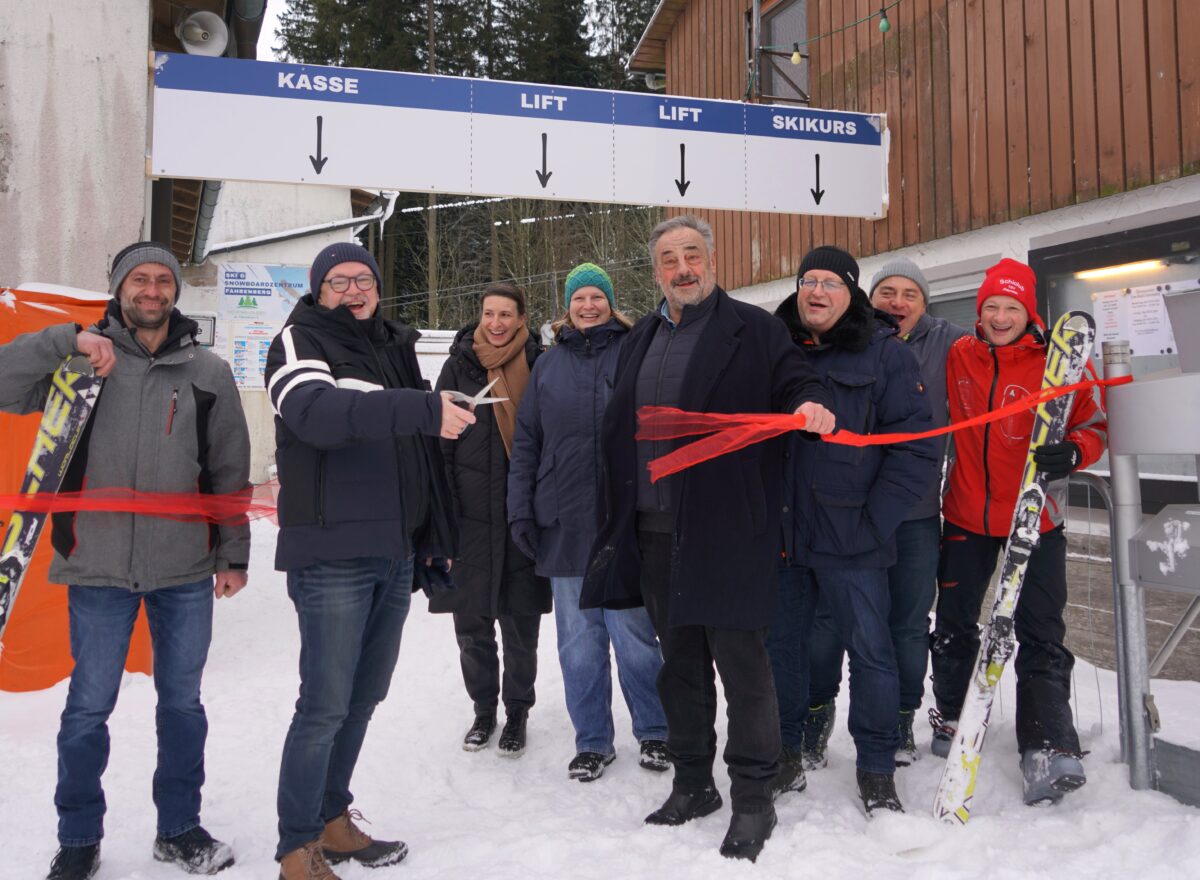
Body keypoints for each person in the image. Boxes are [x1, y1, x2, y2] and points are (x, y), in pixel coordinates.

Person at [581, 216, 835, 863]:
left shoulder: (753, 329)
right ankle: (694, 784)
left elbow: (797, 383)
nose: (682, 266)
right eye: (669, 258)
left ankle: (753, 796)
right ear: (656, 270)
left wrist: (809, 407)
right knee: (680, 668)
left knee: (744, 670)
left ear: (711, 260)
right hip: (655, 533)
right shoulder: (639, 337)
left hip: (728, 531)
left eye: (692, 253)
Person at [0, 242, 251, 880]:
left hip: (185, 570)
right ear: (118, 288)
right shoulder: (81, 361)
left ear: (174, 292)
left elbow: (228, 471)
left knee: (183, 705)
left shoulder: (207, 371)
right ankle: (79, 839)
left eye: (163, 280)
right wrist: (66, 340)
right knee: (88, 707)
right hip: (97, 567)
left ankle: (180, 829)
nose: (152, 289)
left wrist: (234, 554)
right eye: (139, 279)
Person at [265, 242, 471, 880]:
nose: (353, 289)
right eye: (338, 280)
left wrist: (433, 538)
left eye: (363, 279)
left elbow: (417, 456)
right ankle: (298, 848)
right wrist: (421, 407)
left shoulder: (393, 346)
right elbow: (317, 415)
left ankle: (332, 818)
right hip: (332, 555)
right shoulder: (298, 341)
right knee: (324, 703)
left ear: (379, 287)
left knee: (362, 698)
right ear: (319, 289)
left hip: (392, 552)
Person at [767, 246, 938, 817]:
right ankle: (784, 754)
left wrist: (874, 521)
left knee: (872, 652)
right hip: (785, 533)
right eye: (807, 280)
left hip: (854, 535)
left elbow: (916, 449)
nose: (816, 292)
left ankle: (876, 767)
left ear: (851, 293)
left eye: (830, 284)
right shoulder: (773, 346)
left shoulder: (885, 354)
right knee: (781, 650)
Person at [929, 257, 1106, 805]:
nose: (999, 317)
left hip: (1036, 518)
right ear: (979, 312)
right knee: (956, 624)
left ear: (1028, 312)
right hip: (965, 516)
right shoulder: (959, 354)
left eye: (1011, 307)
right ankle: (952, 717)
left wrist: (1075, 450)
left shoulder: (1060, 362)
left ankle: (1047, 742)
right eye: (990, 307)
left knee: (1040, 629)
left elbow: (1094, 424)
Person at [801, 258, 969, 768]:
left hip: (913, 511)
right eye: (886, 292)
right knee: (830, 618)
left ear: (925, 304)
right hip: (845, 512)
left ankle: (898, 716)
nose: (896, 302)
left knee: (906, 621)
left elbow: (999, 349)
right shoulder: (850, 340)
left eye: (909, 295)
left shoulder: (950, 345)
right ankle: (816, 708)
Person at [507, 263, 669, 783]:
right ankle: (593, 742)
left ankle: (656, 733)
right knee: (578, 645)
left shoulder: (635, 352)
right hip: (564, 524)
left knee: (635, 638)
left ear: (610, 302)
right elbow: (527, 443)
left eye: (598, 297)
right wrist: (522, 511)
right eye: (580, 298)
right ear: (568, 306)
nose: (589, 305)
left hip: (623, 525)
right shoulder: (548, 366)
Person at [433, 282, 550, 759]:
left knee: (521, 630)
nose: (497, 323)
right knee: (472, 629)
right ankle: (484, 711)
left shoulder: (540, 365)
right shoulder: (458, 365)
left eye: (506, 314)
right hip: (468, 519)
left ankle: (517, 713)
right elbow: (437, 441)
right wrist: (438, 514)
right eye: (489, 314)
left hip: (522, 517)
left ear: (522, 319)